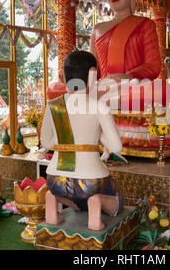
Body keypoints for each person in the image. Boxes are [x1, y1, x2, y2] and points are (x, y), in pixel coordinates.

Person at [41, 51, 124, 231]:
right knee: (116, 199)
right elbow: (117, 147)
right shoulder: (98, 105)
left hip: (55, 179)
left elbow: (46, 143)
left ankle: (52, 200)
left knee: (73, 197)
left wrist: (66, 141)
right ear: (92, 74)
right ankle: (97, 202)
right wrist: (99, 136)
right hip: (90, 181)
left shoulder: (52, 105)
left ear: (63, 76)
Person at [90, 0, 161, 82]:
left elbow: (153, 66)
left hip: (134, 93)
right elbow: (92, 68)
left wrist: (128, 77)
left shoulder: (145, 25)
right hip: (103, 93)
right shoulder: (98, 29)